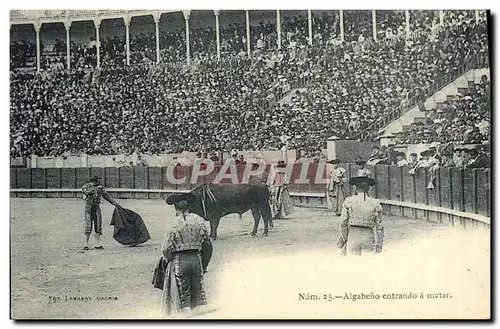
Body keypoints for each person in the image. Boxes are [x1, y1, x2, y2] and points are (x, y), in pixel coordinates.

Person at [162, 193, 212, 317]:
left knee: (183, 295)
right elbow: (208, 246)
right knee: (199, 293)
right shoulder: (199, 220)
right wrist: (204, 264)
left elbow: (166, 247)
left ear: (175, 208)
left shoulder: (173, 222)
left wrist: (169, 260)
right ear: (189, 206)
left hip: (180, 260)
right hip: (196, 259)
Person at [337, 176, 384, 256]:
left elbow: (343, 222)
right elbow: (380, 227)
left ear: (356, 188)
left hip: (353, 234)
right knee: (367, 264)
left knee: (352, 264)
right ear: (368, 189)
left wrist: (345, 238)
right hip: (368, 235)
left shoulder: (349, 200)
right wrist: (379, 244)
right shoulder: (375, 202)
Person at [81, 175, 120, 250]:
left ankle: (97, 244)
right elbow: (86, 191)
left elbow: (107, 197)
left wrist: (116, 204)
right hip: (89, 208)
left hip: (96, 208)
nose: (99, 182)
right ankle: (85, 244)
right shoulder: (86, 187)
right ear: (94, 181)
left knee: (98, 226)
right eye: (98, 180)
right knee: (88, 226)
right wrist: (95, 189)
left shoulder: (100, 188)